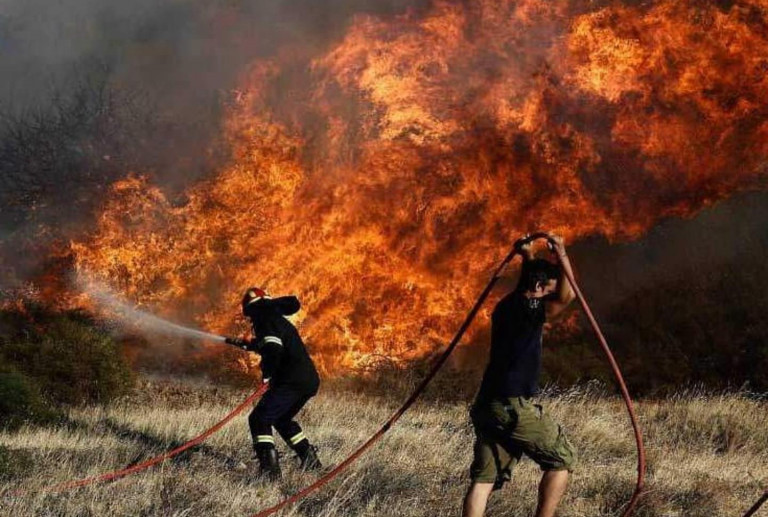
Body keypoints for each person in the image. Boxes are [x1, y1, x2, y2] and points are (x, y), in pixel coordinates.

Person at [462, 234, 578, 517]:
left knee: (483, 480)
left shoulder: (507, 305)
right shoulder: (531, 309)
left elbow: (529, 285)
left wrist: (528, 255)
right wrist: (560, 253)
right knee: (562, 458)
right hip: (512, 405)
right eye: (547, 290)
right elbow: (569, 294)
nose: (551, 297)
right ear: (539, 287)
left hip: (488, 404)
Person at [226, 287, 321, 480]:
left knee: (259, 419)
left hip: (291, 380)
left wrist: (268, 375)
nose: (250, 318)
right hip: (307, 381)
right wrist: (250, 345)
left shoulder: (265, 318)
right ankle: (310, 460)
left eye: (249, 313)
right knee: (281, 419)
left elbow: (273, 349)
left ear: (253, 308)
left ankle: (270, 473)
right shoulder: (275, 318)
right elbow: (272, 344)